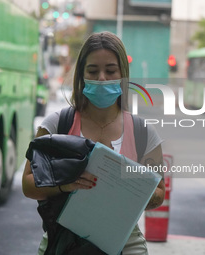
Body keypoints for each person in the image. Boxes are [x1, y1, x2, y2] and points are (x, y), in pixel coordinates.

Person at [22, 31, 165, 255]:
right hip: (64, 241)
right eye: (92, 71)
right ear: (81, 74)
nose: (101, 78)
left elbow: (159, 194)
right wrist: (65, 184)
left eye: (110, 71)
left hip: (125, 243)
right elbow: (28, 184)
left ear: (122, 75)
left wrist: (126, 185)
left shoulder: (143, 132)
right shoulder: (56, 125)